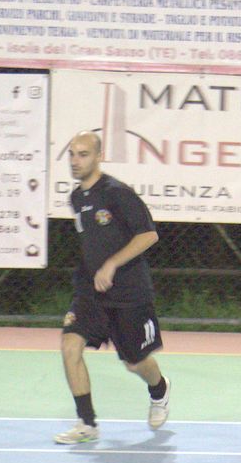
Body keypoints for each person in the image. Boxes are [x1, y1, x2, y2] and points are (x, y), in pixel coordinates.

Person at [54, 130, 171, 443]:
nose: (75, 161)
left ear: (99, 156)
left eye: (83, 154)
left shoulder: (117, 193)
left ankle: (159, 389)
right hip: (91, 293)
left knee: (135, 363)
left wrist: (112, 264)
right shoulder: (76, 198)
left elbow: (148, 235)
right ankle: (87, 424)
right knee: (70, 346)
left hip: (128, 292)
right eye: (72, 154)